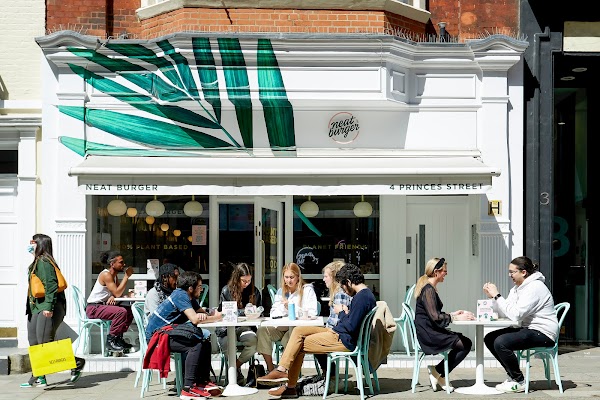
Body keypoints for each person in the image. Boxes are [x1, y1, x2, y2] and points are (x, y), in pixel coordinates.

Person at [257, 263, 376, 399]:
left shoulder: (362, 298)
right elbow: (353, 321)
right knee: (298, 331)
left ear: (348, 282)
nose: (343, 288)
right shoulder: (365, 295)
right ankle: (283, 372)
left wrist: (342, 312)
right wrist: (346, 313)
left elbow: (351, 327)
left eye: (343, 285)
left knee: (298, 344)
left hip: (342, 339)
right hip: (338, 334)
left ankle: (288, 384)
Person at [482, 256, 559, 393]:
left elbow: (516, 314)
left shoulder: (535, 287)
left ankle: (519, 381)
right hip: (527, 328)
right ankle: (512, 376)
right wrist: (492, 297)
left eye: (512, 272)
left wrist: (498, 296)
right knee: (490, 338)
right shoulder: (517, 288)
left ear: (523, 272)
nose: (509, 275)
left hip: (543, 332)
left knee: (501, 342)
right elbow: (506, 312)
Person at [21, 234, 85, 388]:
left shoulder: (44, 261)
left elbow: (51, 285)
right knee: (35, 342)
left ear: (40, 244)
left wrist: (49, 307)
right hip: (36, 306)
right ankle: (39, 376)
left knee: (45, 343)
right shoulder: (37, 261)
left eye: (33, 242)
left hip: (47, 307)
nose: (30, 244)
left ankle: (76, 363)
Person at [145, 271, 222, 399]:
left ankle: (202, 382)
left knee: (204, 340)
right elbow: (195, 319)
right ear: (190, 288)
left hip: (168, 331)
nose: (201, 290)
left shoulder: (191, 298)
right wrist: (216, 318)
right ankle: (188, 388)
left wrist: (211, 315)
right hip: (157, 336)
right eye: (199, 287)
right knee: (195, 345)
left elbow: (202, 314)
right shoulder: (180, 295)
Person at [414, 257, 474, 393]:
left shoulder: (428, 288)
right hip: (429, 334)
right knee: (465, 344)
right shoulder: (428, 290)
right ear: (436, 272)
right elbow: (435, 317)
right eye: (444, 271)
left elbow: (432, 314)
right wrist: (455, 317)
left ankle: (437, 373)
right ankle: (438, 372)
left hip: (429, 331)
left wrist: (453, 313)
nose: (446, 274)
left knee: (464, 342)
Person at [256, 262, 318, 372]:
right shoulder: (281, 291)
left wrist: (292, 308)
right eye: (286, 277)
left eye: (292, 277)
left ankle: (284, 372)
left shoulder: (307, 290)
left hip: (297, 328)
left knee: (288, 339)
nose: (289, 280)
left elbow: (313, 312)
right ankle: (271, 369)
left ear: (298, 277)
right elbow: (273, 313)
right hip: (281, 327)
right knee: (262, 331)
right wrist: (284, 308)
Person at [217, 263, 262, 385]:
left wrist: (257, 311)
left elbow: (259, 310)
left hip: (245, 327)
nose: (246, 284)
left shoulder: (254, 291)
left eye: (249, 280)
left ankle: (235, 367)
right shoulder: (227, 290)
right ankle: (235, 375)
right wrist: (244, 311)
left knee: (253, 341)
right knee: (227, 344)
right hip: (226, 329)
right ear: (237, 278)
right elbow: (225, 313)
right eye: (243, 281)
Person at [86, 251, 134, 353]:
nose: (123, 264)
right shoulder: (106, 275)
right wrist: (126, 277)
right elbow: (118, 293)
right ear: (112, 264)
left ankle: (118, 338)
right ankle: (111, 340)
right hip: (94, 308)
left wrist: (112, 295)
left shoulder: (114, 276)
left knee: (129, 309)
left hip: (102, 306)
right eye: (121, 262)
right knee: (121, 312)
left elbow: (117, 294)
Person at [313, 260, 352, 376]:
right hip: (338, 332)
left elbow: (336, 322)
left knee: (310, 341)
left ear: (334, 278)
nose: (324, 279)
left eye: (326, 276)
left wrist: (323, 330)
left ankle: (330, 374)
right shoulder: (341, 292)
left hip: (338, 335)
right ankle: (329, 373)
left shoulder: (340, 294)